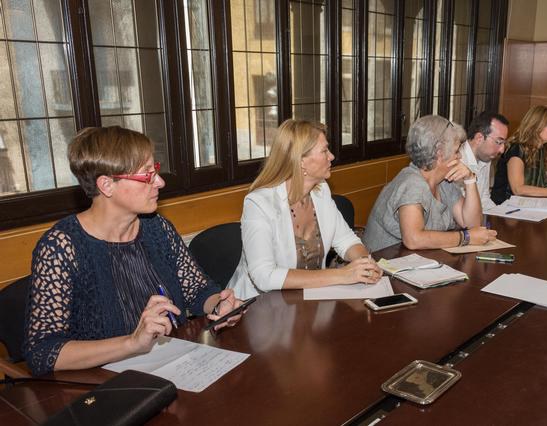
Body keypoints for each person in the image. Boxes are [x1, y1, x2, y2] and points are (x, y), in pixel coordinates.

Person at [24, 126, 243, 376]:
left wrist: (219, 305)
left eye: (155, 170)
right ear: (107, 185)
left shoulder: (157, 228)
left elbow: (197, 290)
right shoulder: (61, 248)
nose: (160, 182)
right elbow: (42, 352)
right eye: (147, 175)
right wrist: (132, 343)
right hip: (104, 384)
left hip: (174, 367)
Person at [226, 119, 382, 300]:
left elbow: (346, 240)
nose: (331, 156)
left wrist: (365, 263)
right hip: (259, 306)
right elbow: (264, 276)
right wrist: (342, 275)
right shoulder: (258, 204)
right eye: (324, 151)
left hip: (308, 301)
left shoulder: (321, 191)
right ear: (300, 161)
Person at [362, 115, 497, 252]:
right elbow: (413, 239)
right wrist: (465, 238)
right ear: (439, 154)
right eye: (456, 151)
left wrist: (470, 179)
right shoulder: (412, 183)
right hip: (385, 261)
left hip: (417, 259)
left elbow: (472, 224)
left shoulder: (444, 182)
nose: (460, 156)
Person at [460, 111, 510, 211]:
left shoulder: (485, 158)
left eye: (504, 143)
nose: (502, 150)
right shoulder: (457, 160)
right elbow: (461, 209)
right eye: (499, 142)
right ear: (479, 138)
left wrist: (500, 215)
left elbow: (484, 199)